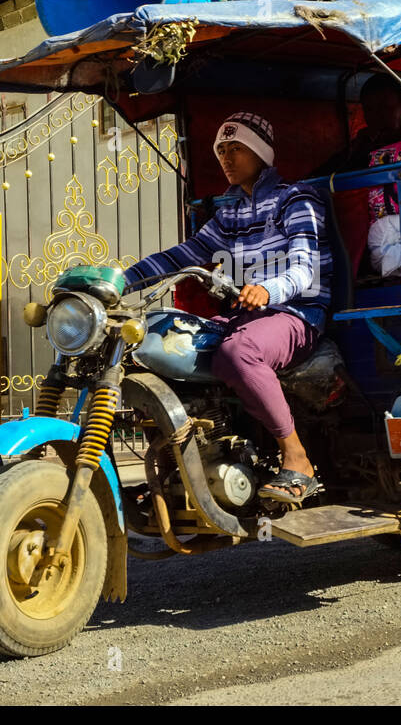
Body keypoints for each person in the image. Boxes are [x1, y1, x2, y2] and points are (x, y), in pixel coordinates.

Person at [123, 112, 333, 502]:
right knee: (155, 347)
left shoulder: (296, 198)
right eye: (221, 150)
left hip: (296, 314)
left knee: (238, 352)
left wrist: (268, 291)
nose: (227, 158)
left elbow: (305, 269)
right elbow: (183, 255)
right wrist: (122, 280)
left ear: (260, 153)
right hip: (245, 313)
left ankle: (297, 459)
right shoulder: (230, 211)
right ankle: (177, 466)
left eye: (236, 149)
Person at [314, 73, 401, 272]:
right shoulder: (360, 146)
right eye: (370, 110)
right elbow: (323, 175)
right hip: (365, 239)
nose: (377, 117)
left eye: (385, 108)